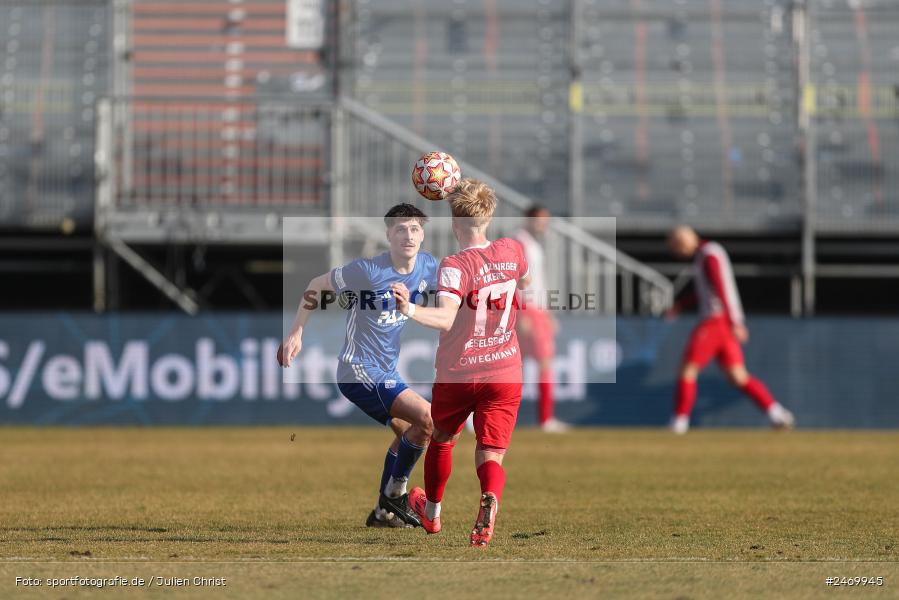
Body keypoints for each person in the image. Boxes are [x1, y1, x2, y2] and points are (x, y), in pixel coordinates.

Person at [278, 203, 438, 527]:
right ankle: (394, 495)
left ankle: (383, 514)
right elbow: (315, 286)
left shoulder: (428, 266)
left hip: (387, 369)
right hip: (357, 369)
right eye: (400, 229)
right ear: (388, 235)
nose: (408, 235)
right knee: (428, 418)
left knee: (412, 432)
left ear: (423, 234)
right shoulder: (368, 271)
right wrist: (296, 332)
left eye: (415, 229)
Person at [391, 178, 530, 547]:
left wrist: (409, 308)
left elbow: (446, 318)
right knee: (491, 451)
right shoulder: (512, 249)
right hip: (505, 369)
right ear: (489, 217)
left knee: (442, 439)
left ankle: (432, 514)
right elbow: (524, 280)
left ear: (454, 223)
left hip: (460, 372)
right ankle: (490, 496)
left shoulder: (454, 265)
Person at [666, 225, 795, 434]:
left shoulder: (709, 255)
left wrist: (735, 322)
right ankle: (777, 413)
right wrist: (681, 306)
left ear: (684, 241)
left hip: (715, 321)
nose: (677, 251)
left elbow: (720, 288)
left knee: (687, 369)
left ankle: (679, 421)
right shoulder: (704, 255)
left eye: (676, 246)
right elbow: (706, 291)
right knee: (738, 376)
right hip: (724, 321)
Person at [515, 205, 570, 432]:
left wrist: (547, 314)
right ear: (529, 220)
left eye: (545, 221)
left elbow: (538, 282)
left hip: (537, 309)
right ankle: (546, 420)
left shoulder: (534, 245)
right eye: (540, 220)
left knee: (541, 363)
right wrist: (519, 312)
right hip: (527, 309)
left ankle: (546, 418)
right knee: (517, 365)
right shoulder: (520, 243)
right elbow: (514, 279)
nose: (543, 225)